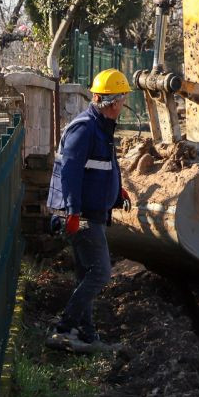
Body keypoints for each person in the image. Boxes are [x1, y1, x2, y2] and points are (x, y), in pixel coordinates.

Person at [46, 68, 133, 353]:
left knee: (87, 273)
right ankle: (64, 328)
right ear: (113, 102)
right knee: (101, 273)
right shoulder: (84, 129)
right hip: (80, 216)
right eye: (122, 100)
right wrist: (72, 211)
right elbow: (69, 173)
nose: (123, 106)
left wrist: (117, 192)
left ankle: (85, 333)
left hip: (88, 213)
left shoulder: (102, 128)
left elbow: (102, 166)